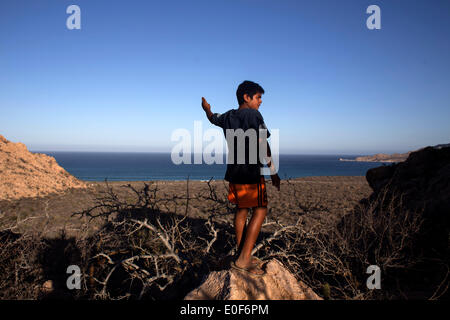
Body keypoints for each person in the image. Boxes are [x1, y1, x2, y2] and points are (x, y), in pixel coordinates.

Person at [201, 80, 281, 276]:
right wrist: (273, 170)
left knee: (242, 210)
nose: (261, 101)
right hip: (251, 173)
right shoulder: (254, 115)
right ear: (247, 97)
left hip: (235, 173)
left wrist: (207, 110)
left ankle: (241, 253)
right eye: (258, 97)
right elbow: (263, 143)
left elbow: (213, 119)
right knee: (261, 210)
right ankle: (245, 259)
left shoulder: (229, 116)